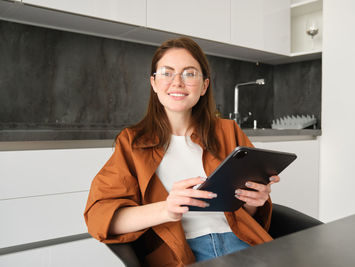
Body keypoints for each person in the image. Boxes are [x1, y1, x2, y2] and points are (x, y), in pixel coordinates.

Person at [84, 37, 280, 266]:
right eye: (167, 73)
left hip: (244, 244)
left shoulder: (229, 131)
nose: (177, 82)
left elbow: (249, 215)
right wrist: (167, 209)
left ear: (204, 85)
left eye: (189, 73)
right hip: (182, 255)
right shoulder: (132, 143)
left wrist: (254, 200)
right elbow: (100, 217)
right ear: (154, 83)